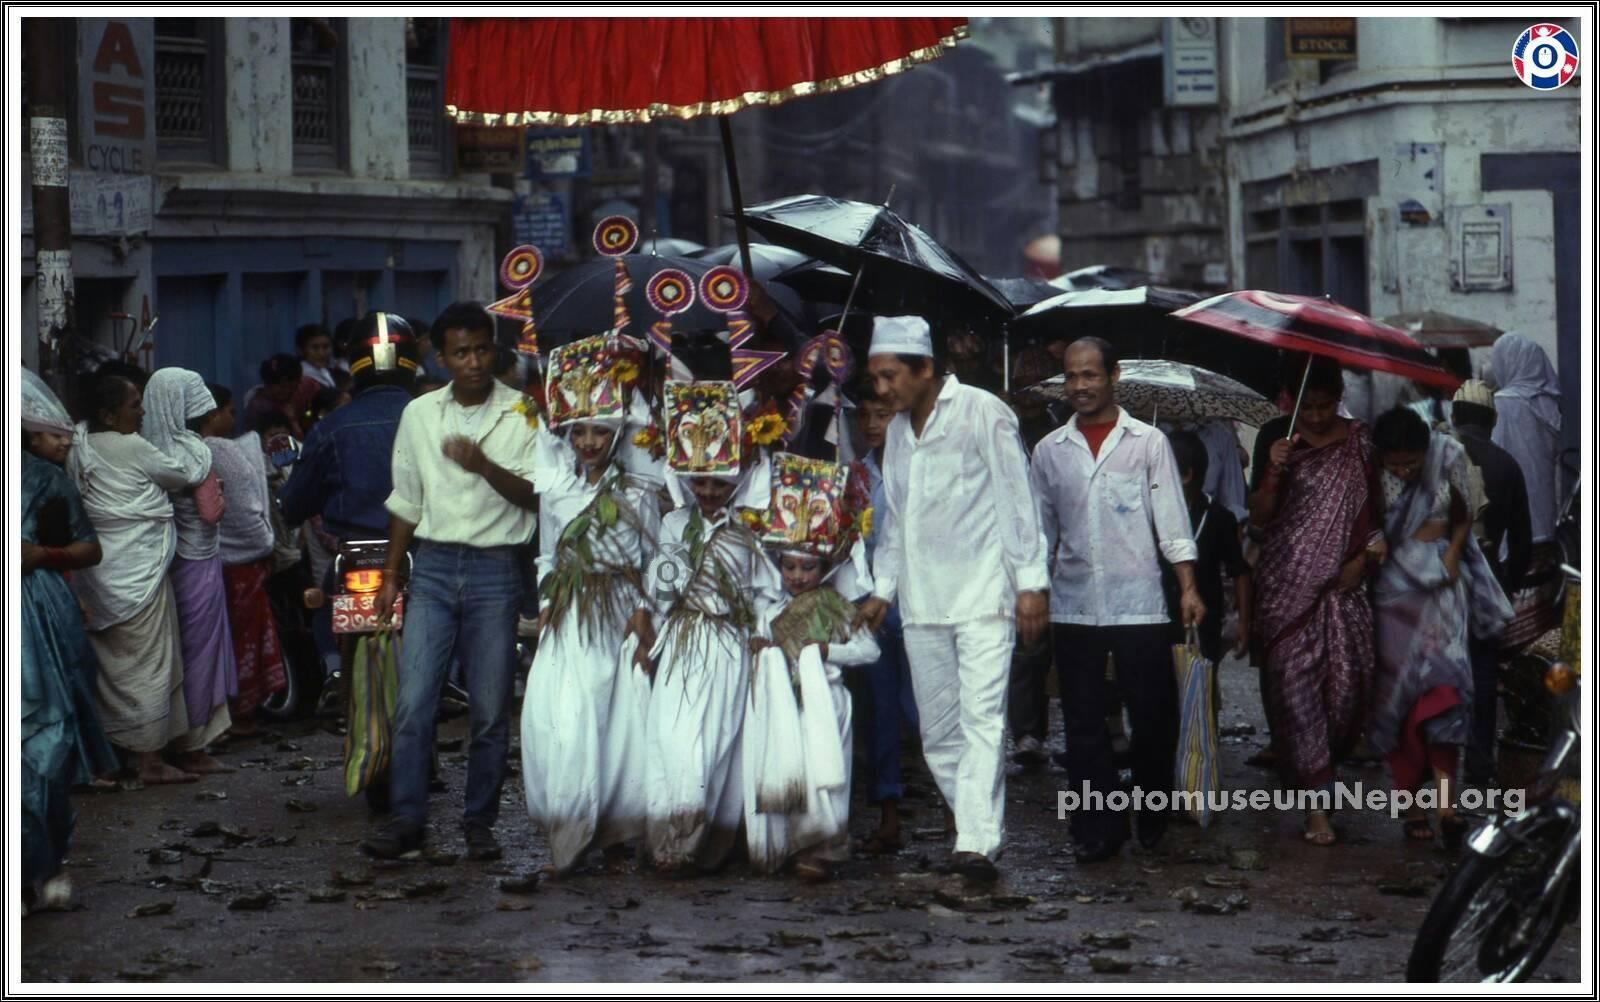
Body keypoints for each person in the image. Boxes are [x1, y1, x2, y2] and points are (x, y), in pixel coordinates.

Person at [855, 316, 1050, 883]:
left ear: (926, 369)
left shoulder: (983, 411)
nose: (882, 389)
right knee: (939, 732)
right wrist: (882, 591)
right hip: (922, 601)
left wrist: (1030, 583)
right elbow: (896, 525)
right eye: (876, 378)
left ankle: (977, 842)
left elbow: (1019, 500)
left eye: (890, 376)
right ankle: (974, 829)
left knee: (983, 719)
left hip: (984, 592)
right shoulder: (894, 432)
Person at [362, 303, 539, 861]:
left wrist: (483, 465)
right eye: (461, 352)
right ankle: (407, 820)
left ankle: (478, 823)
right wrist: (391, 577)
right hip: (434, 568)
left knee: (489, 708)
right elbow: (406, 501)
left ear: (495, 349)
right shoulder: (419, 415)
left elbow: (536, 496)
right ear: (441, 357)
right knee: (414, 702)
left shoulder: (523, 412)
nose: (474, 362)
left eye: (482, 349)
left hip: (496, 570)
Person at [1031, 337, 1205, 863]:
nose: (1080, 386)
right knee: (1082, 724)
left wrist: (1188, 586)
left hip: (1140, 602)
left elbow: (1172, 521)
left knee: (1151, 715)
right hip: (1074, 603)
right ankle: (1096, 829)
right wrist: (1033, 592)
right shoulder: (1049, 452)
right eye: (1071, 376)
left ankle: (1152, 812)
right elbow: (1038, 533)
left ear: (1113, 375)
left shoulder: (1148, 443)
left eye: (1090, 375)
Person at [518, 333, 662, 876]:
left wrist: (646, 611)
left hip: (622, 609)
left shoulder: (639, 491)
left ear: (618, 432)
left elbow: (654, 555)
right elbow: (547, 554)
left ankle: (616, 834)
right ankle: (570, 834)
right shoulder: (557, 489)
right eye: (579, 430)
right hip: (571, 615)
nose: (589, 441)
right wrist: (548, 600)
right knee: (566, 718)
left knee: (619, 721)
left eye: (601, 430)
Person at [638, 376, 784, 874]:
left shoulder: (750, 529)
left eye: (719, 482)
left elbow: (768, 590)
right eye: (698, 481)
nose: (707, 491)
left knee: (717, 742)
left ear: (738, 479)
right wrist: (649, 633)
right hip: (682, 639)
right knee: (674, 738)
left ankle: (704, 844)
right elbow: (660, 589)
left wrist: (762, 630)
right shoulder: (676, 523)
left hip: (727, 643)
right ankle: (668, 842)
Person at [1248, 356, 1385, 846]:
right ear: (1292, 400)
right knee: (1294, 691)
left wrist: (1362, 563)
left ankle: (1324, 778)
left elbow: (1376, 516)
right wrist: (1273, 470)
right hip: (1286, 590)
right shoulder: (1275, 438)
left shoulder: (1359, 442)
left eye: (1327, 407)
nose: (1318, 417)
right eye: (1309, 406)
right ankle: (1317, 811)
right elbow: (1261, 519)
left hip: (1345, 589)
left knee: (1345, 698)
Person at [1368, 408, 1513, 848]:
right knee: (1402, 704)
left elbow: (1464, 512)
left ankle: (1447, 807)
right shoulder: (1370, 472)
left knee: (1446, 696)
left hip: (1443, 594)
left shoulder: (1448, 455)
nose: (1402, 470)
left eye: (1409, 462)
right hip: (1394, 597)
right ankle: (1413, 809)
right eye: (1394, 464)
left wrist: (1452, 554)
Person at [67, 373, 206, 784]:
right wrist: (192, 442)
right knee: (147, 664)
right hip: (139, 573)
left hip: (100, 574)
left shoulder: (79, 445)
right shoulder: (131, 445)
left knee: (113, 669)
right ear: (110, 414)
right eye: (134, 405)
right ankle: (149, 762)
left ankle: (127, 754)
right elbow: (181, 476)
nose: (142, 412)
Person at [743, 461, 878, 882]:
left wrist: (827, 652)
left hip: (827, 702)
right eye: (790, 566)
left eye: (808, 567)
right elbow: (755, 643)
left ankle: (823, 847)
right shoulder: (768, 609)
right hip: (782, 703)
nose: (798, 577)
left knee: (823, 776)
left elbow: (868, 651)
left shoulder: (835, 606)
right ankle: (785, 844)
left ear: (827, 567)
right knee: (788, 770)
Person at [280, 312, 421, 708]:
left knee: (325, 604)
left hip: (356, 554)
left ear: (354, 365)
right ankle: (448, 676)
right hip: (420, 550)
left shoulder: (331, 427)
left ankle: (333, 668)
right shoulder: (431, 416)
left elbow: (294, 504)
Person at [21, 370, 122, 915]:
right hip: (37, 619)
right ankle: (42, 866)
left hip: (39, 617)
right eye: (51, 432)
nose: (63, 441)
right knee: (44, 746)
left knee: (45, 741)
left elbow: (86, 549)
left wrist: (42, 557)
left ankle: (41, 866)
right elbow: (88, 549)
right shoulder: (46, 479)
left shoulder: (48, 481)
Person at [142, 369, 238, 773]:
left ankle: (164, 739)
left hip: (161, 563)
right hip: (198, 561)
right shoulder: (195, 452)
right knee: (200, 652)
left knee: (172, 652)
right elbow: (210, 512)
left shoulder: (146, 448)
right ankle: (194, 742)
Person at [1450, 380, 1533, 786]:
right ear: (1493, 419)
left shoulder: (1434, 455)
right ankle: (1479, 769)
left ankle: (1434, 772)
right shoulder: (1508, 466)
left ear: (1453, 416)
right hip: (1486, 581)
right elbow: (1521, 544)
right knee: (1482, 678)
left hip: (1436, 579)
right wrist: (1509, 587)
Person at [851, 385, 919, 854]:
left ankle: (961, 815)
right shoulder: (854, 477)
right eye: (867, 416)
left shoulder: (915, 470)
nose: (874, 424)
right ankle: (888, 814)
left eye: (884, 415)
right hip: (870, 608)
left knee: (923, 711)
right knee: (879, 711)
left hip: (917, 604)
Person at [202, 384, 288, 732]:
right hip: (242, 561)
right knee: (244, 634)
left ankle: (227, 714)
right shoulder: (222, 451)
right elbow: (245, 509)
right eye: (230, 411)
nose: (233, 419)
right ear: (213, 414)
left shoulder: (193, 451)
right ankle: (240, 712)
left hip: (210, 562)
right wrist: (265, 543)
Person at [1163, 430, 1252, 674]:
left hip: (1203, 623)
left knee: (1199, 692)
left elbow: (1239, 570)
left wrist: (1243, 622)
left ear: (1186, 475)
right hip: (1158, 619)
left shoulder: (1218, 517)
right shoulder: (1153, 512)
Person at [1486, 333, 1562, 544]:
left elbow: (1495, 449)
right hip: (1544, 500)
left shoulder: (1503, 403)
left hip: (1512, 498)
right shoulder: (1548, 401)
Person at [244, 354, 308, 437]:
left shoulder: (291, 399)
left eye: (292, 387)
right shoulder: (259, 406)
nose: (287, 390)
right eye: (282, 386)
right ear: (268, 383)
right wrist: (292, 419)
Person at [298, 323, 338, 390]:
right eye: (315, 348)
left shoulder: (326, 371)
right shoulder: (301, 377)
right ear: (301, 350)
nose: (321, 353)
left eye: (326, 347)